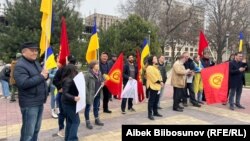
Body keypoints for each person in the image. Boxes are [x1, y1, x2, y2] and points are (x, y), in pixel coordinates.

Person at [14, 42, 48, 141]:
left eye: (36, 50)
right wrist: (41, 76)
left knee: (36, 130)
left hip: (39, 101)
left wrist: (45, 76)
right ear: (24, 52)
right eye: (32, 50)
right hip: (30, 103)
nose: (35, 52)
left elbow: (40, 78)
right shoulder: (20, 65)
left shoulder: (35, 63)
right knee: (28, 133)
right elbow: (23, 83)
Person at [53, 54, 76, 137]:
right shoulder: (61, 69)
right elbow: (54, 80)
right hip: (62, 95)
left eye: (73, 62)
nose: (72, 64)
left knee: (69, 114)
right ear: (67, 61)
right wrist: (60, 87)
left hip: (71, 97)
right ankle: (61, 129)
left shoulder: (74, 70)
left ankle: (68, 130)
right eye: (71, 62)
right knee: (62, 113)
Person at [61, 64, 80, 141]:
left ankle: (68, 138)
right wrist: (74, 98)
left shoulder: (68, 79)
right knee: (76, 121)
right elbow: (65, 93)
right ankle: (72, 139)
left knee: (70, 121)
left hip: (68, 103)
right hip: (69, 104)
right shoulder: (68, 80)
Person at [84, 60, 104, 129]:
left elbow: (101, 81)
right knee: (88, 108)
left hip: (98, 93)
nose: (98, 65)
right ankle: (87, 121)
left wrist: (102, 83)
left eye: (98, 64)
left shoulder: (99, 73)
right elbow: (85, 85)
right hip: (90, 94)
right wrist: (87, 94)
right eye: (96, 64)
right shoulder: (88, 74)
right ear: (92, 66)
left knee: (96, 107)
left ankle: (96, 119)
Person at [146, 55, 163, 120]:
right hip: (152, 86)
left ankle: (155, 112)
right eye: (155, 58)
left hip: (158, 87)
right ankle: (150, 114)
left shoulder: (156, 67)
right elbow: (152, 77)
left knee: (156, 101)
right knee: (151, 101)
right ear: (152, 60)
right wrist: (159, 82)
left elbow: (159, 75)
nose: (156, 59)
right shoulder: (149, 67)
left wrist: (161, 81)